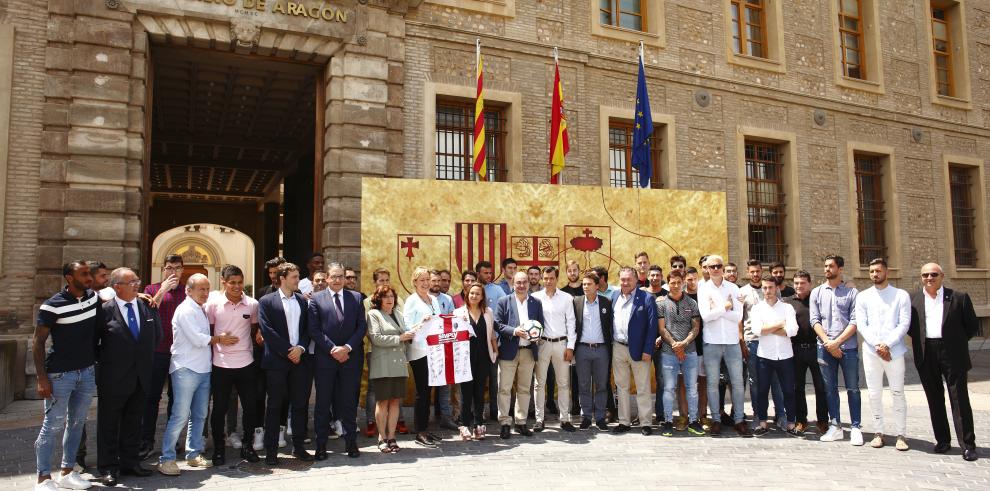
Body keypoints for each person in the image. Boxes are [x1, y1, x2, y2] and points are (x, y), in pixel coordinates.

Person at [159, 274, 237, 476]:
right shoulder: (185, 310)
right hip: (185, 368)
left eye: (207, 289)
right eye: (201, 289)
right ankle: (166, 459)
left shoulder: (199, 309)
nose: (205, 293)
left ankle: (193, 454)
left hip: (203, 369)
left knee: (200, 414)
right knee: (180, 415)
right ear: (189, 290)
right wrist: (221, 338)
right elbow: (197, 339)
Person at [34, 261, 99, 491]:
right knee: (52, 425)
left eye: (89, 273)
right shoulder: (51, 306)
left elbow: (118, 293)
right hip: (59, 375)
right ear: (69, 278)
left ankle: (67, 472)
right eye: (83, 274)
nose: (89, 278)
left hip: (87, 372)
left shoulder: (92, 297)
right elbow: (38, 342)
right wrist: (42, 378)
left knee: (77, 423)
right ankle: (43, 478)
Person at [95, 268, 160, 486]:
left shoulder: (147, 307)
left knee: (134, 422)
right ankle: (108, 467)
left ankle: (130, 462)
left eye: (137, 280)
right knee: (109, 424)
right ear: (116, 287)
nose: (136, 285)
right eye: (130, 281)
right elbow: (95, 344)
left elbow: (156, 336)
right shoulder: (104, 311)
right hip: (113, 378)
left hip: (141, 376)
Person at [909, 263, 980, 461]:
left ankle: (968, 445)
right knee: (934, 398)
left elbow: (972, 326)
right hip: (926, 353)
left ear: (942, 276)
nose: (929, 278)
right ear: (921, 277)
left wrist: (954, 341)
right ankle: (942, 440)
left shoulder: (958, 297)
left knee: (959, 399)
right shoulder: (913, 299)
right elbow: (910, 327)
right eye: (925, 275)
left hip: (953, 354)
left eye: (933, 274)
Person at [257, 262, 314, 466]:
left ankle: (298, 447)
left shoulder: (301, 301)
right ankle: (271, 450)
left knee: (299, 405)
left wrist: (300, 348)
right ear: (282, 279)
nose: (298, 280)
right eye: (294, 277)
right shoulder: (266, 301)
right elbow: (267, 330)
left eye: (298, 277)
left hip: (300, 361)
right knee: (274, 406)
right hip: (277, 362)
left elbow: (308, 329)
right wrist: (288, 350)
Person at [205, 265, 261, 466]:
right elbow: (208, 332)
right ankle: (219, 449)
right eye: (232, 283)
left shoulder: (252, 304)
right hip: (220, 364)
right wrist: (220, 339)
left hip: (246, 363)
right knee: (219, 409)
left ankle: (248, 446)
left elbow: (255, 330)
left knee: (251, 407)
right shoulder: (213, 305)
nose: (237, 287)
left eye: (240, 282)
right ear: (224, 282)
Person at [309, 262, 366, 460]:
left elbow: (361, 328)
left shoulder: (356, 298)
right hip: (326, 358)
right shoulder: (316, 299)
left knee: (349, 403)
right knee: (323, 403)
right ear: (326, 278)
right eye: (333, 276)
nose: (337, 280)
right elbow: (314, 329)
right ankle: (321, 445)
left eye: (341, 276)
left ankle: (351, 443)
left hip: (350, 358)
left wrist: (347, 348)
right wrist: (333, 349)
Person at [855, 258, 910, 451]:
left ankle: (901, 434)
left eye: (878, 271)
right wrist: (877, 345)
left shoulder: (900, 295)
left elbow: (904, 324)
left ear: (886, 272)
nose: (874, 274)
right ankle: (878, 432)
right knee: (874, 393)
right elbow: (862, 324)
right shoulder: (863, 297)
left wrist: (887, 344)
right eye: (871, 271)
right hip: (871, 352)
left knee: (897, 392)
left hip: (894, 351)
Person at [810, 255, 862, 445]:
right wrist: (828, 343)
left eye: (831, 266)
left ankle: (856, 427)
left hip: (848, 348)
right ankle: (835, 426)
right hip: (824, 348)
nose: (827, 269)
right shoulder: (817, 292)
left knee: (853, 388)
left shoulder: (852, 292)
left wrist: (837, 342)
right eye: (825, 266)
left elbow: (855, 321)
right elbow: (814, 320)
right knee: (829, 389)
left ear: (840, 269)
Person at [140, 255, 186, 459]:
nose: (173, 272)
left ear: (182, 270)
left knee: (176, 400)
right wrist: (162, 290)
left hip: (180, 353)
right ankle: (146, 441)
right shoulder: (151, 289)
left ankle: (173, 440)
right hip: (157, 351)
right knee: (151, 398)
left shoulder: (188, 291)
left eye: (177, 268)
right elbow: (147, 311)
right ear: (163, 269)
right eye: (169, 268)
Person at [698, 255, 747, 437]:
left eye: (719, 266)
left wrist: (717, 309)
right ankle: (716, 420)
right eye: (712, 266)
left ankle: (740, 420)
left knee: (737, 383)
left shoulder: (733, 288)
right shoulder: (703, 289)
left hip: (732, 341)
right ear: (707, 269)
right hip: (712, 341)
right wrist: (726, 306)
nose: (716, 269)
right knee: (712, 383)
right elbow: (705, 316)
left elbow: (738, 316)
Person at [495, 271, 546, 439]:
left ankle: (521, 421)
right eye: (518, 282)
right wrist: (514, 331)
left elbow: (541, 325)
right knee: (504, 388)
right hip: (509, 351)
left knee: (524, 389)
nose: (522, 285)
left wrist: (536, 336)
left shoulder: (536, 303)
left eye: (524, 282)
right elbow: (498, 325)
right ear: (513, 283)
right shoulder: (504, 301)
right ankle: (504, 422)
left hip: (528, 352)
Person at [748, 275, 800, 437]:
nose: (767, 291)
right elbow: (757, 330)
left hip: (785, 356)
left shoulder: (787, 308)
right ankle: (762, 423)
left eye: (770, 287)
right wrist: (779, 324)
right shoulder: (757, 309)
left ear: (777, 288)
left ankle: (791, 424)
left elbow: (793, 331)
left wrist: (768, 328)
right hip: (765, 355)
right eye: (764, 288)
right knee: (762, 390)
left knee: (788, 391)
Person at [610, 266, 658, 435]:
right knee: (621, 387)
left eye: (628, 279)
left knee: (642, 387)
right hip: (618, 347)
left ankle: (645, 422)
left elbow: (652, 328)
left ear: (636, 280)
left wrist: (648, 350)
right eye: (622, 279)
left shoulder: (646, 298)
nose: (625, 282)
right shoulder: (615, 296)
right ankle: (624, 421)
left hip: (639, 350)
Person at [366, 285, 413, 453]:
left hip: (399, 363)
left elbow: (406, 333)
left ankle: (392, 437)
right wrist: (400, 338)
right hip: (383, 364)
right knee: (382, 401)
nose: (389, 299)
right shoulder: (373, 314)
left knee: (395, 402)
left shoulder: (399, 314)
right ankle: (381, 437)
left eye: (392, 296)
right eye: (385, 296)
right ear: (379, 299)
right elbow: (376, 338)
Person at [656, 269, 703, 437]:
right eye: (672, 283)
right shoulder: (661, 304)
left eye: (678, 282)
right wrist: (675, 345)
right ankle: (668, 421)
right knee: (669, 388)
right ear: (667, 284)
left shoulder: (691, 303)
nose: (675, 286)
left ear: (683, 282)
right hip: (669, 352)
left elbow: (696, 327)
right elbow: (662, 328)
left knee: (692, 388)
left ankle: (693, 421)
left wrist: (684, 343)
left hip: (690, 352)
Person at [361, 267, 407, 437]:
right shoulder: (368, 304)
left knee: (395, 395)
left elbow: (404, 325)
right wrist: (400, 337)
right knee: (377, 392)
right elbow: (373, 332)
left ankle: (396, 424)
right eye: (381, 280)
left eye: (387, 280)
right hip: (376, 352)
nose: (384, 283)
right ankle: (373, 423)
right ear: (375, 282)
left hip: (398, 356)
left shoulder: (399, 301)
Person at [738, 259, 784, 427]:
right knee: (755, 381)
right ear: (748, 272)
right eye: (752, 271)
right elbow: (739, 319)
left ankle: (780, 415)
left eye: (758, 271)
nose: (755, 274)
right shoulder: (742, 293)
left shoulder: (772, 290)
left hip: (771, 340)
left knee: (775, 380)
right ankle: (758, 415)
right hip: (752, 341)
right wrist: (742, 341)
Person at [402, 266, 443, 448]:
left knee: (430, 390)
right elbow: (407, 326)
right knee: (422, 392)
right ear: (415, 282)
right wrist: (422, 323)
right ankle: (420, 431)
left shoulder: (433, 299)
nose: (426, 283)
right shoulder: (411, 301)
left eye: (428, 279)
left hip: (434, 350)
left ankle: (425, 427)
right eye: (422, 280)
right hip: (419, 351)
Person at [532, 267, 577, 432]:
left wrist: (570, 346)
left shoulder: (566, 298)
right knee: (539, 383)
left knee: (564, 383)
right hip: (542, 344)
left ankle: (565, 419)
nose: (548, 281)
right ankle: (539, 419)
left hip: (561, 344)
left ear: (557, 279)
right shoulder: (535, 298)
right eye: (545, 278)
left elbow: (571, 323)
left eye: (551, 278)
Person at [786, 270, 828, 435]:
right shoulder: (788, 302)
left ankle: (823, 420)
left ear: (809, 284)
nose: (799, 286)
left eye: (802, 283)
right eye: (796, 283)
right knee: (798, 387)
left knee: (821, 386)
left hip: (816, 348)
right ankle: (801, 420)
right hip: (795, 349)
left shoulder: (817, 301)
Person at [454, 283, 498, 440]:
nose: (474, 296)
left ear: (482, 297)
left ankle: (478, 425)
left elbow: (492, 333)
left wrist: (495, 350)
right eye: (472, 293)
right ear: (467, 294)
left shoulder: (488, 312)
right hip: (465, 359)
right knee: (466, 394)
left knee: (480, 393)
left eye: (478, 294)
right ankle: (464, 425)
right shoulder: (458, 313)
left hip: (483, 357)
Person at [573, 271, 614, 430]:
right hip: (582, 349)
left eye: (589, 284)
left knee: (601, 384)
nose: (585, 287)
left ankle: (600, 417)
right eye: (583, 284)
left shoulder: (606, 302)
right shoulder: (576, 302)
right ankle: (586, 417)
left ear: (597, 286)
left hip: (601, 349)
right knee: (583, 384)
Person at [428, 269, 457, 430]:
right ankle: (424, 420)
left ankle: (446, 417)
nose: (437, 284)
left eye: (439, 281)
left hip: (444, 348)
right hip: (426, 350)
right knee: (426, 387)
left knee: (445, 386)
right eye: (434, 281)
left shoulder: (447, 299)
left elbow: (451, 321)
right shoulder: (422, 299)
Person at [475, 260, 504, 420]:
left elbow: (503, 313)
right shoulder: (472, 290)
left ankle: (495, 410)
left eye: (490, 272)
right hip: (476, 345)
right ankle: (478, 412)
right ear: (478, 273)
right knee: (478, 380)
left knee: (494, 380)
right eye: (485, 273)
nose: (489, 275)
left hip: (493, 343)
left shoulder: (498, 290)